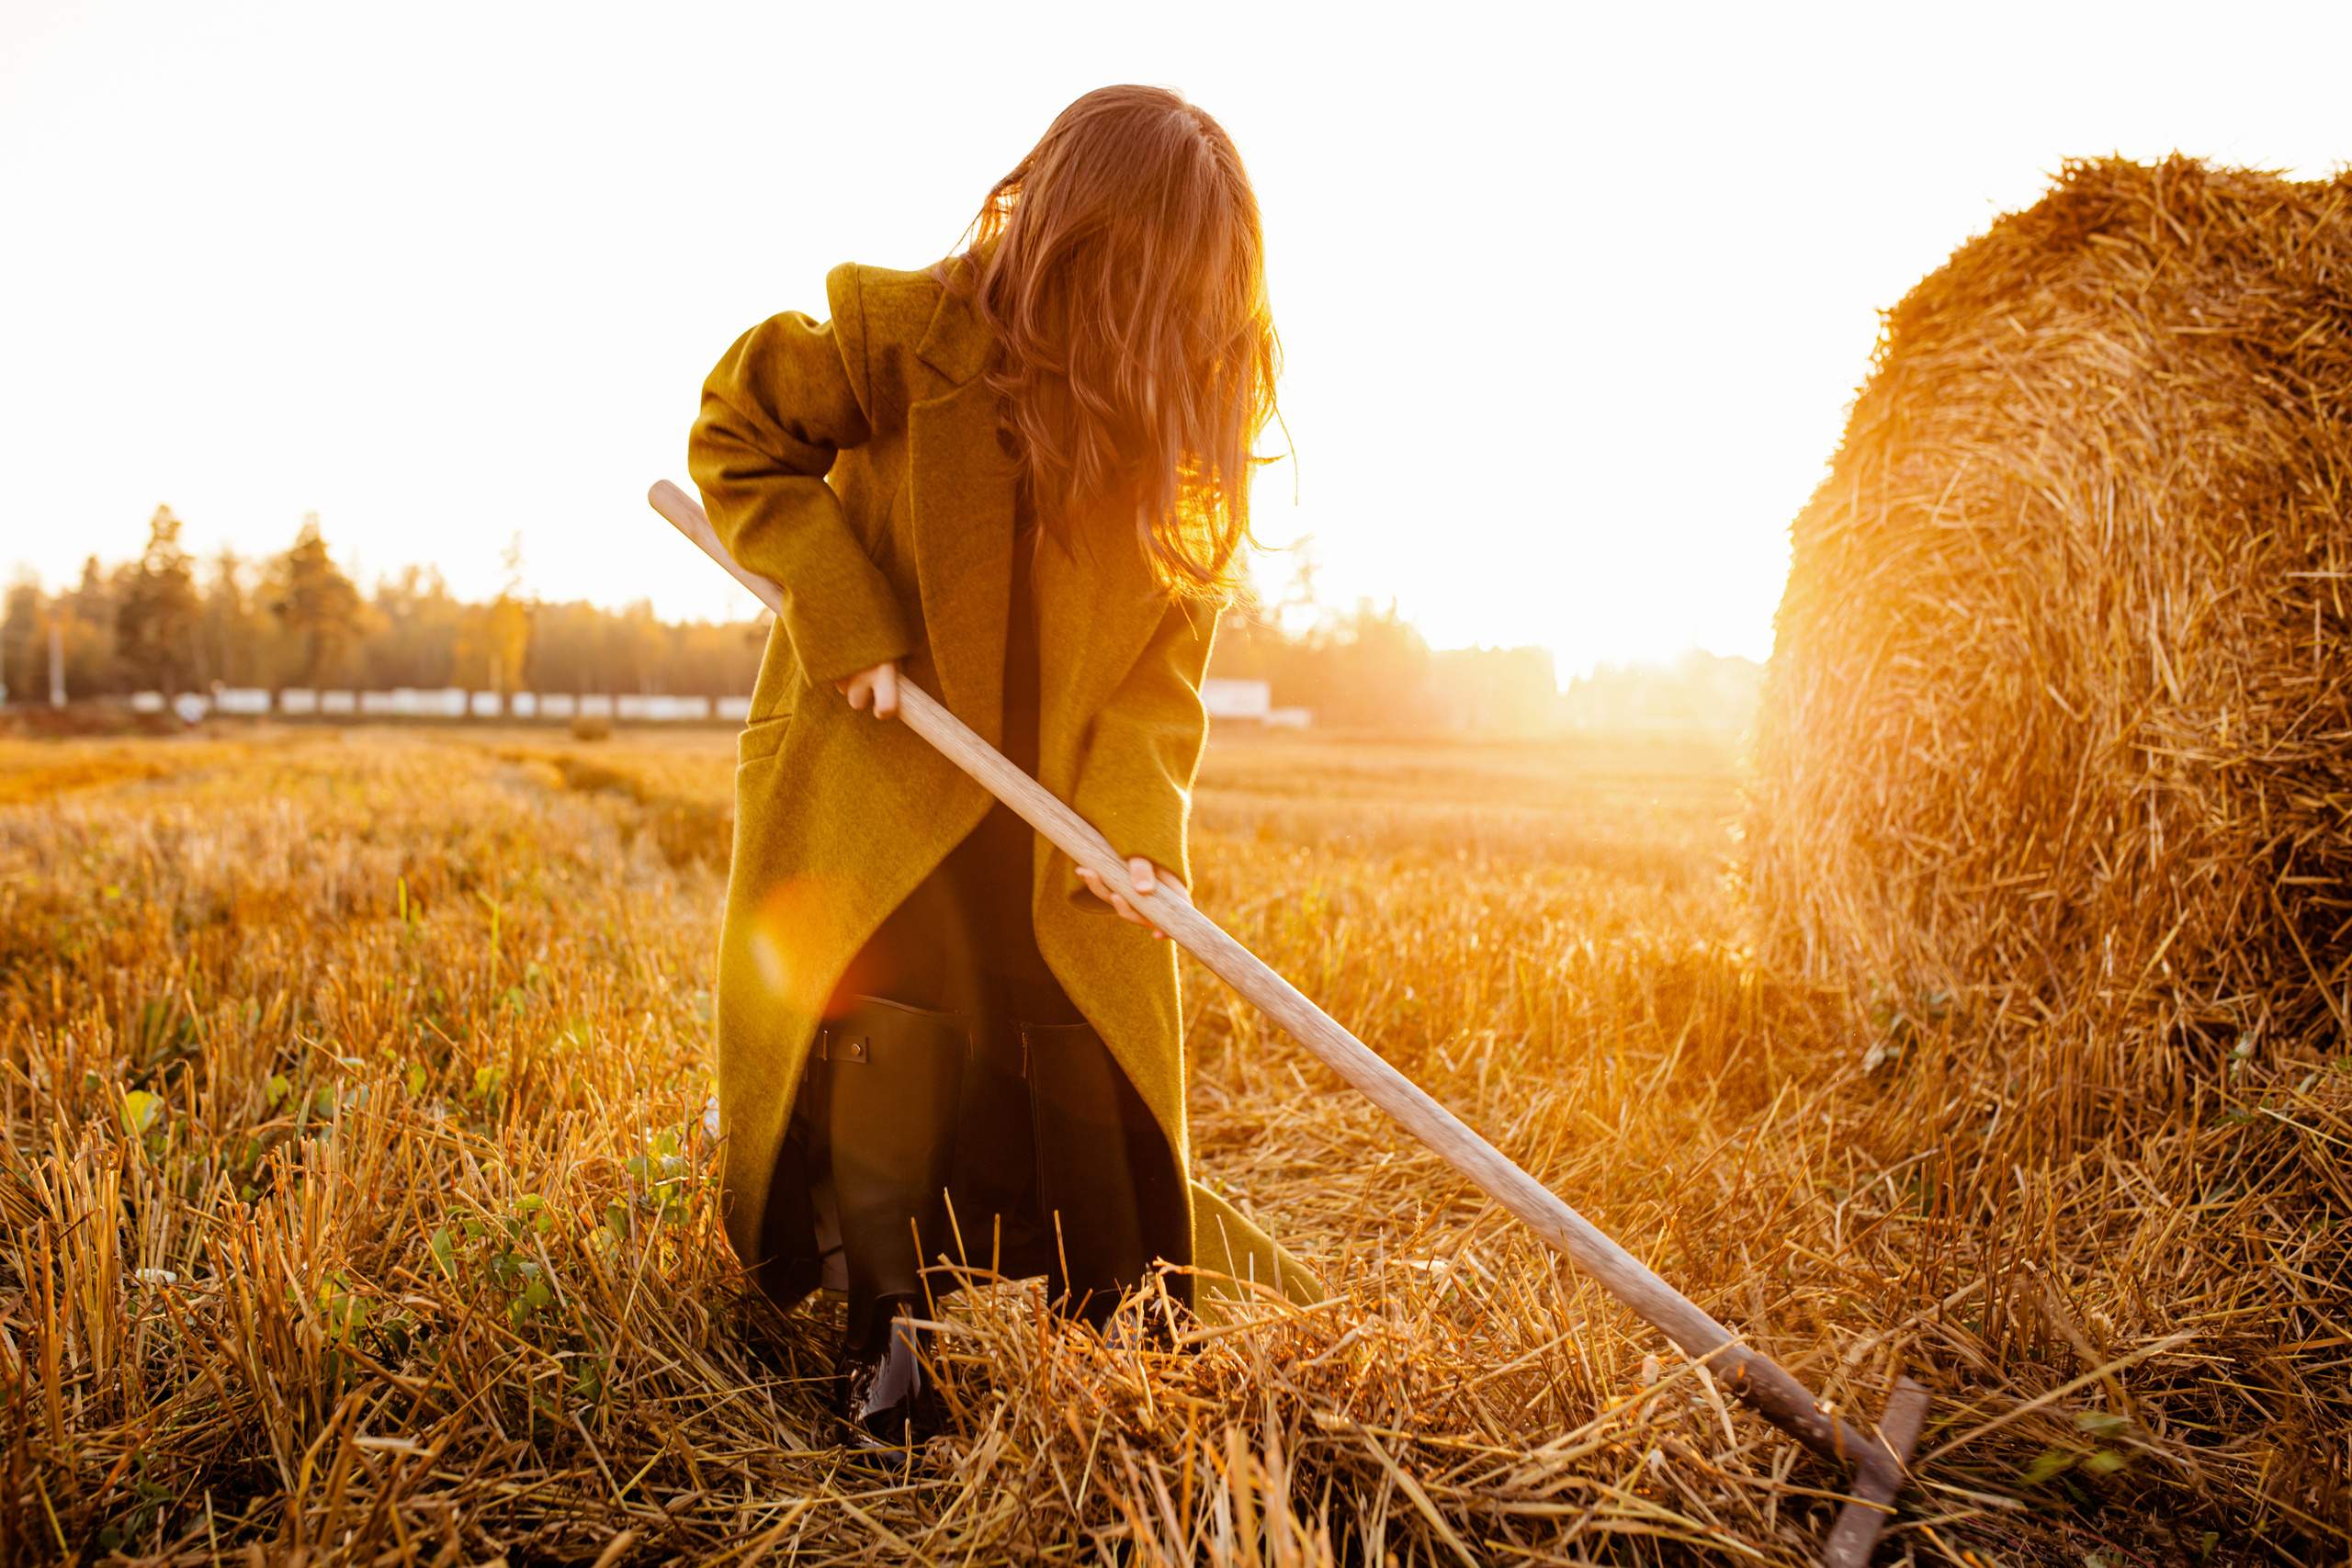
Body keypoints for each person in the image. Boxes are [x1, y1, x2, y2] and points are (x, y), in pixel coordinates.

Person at [688, 85, 1320, 1457]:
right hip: (888, 773)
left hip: (1057, 814)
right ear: (1076, 248)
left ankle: (1119, 1346)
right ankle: (887, 1340)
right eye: (1142, 293)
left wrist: (1137, 830)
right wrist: (844, 613)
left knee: (1081, 1041)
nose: (1161, 334)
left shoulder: (1167, 431)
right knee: (897, 1023)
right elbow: (736, 436)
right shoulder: (901, 334)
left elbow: (1161, 674)